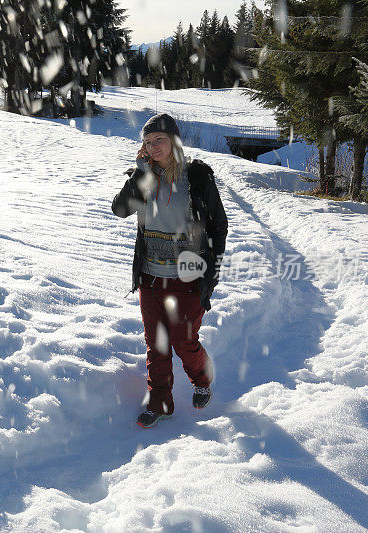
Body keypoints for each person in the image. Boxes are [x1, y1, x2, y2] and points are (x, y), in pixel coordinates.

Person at [111, 113, 228, 429]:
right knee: (157, 342)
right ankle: (160, 402)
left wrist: (212, 271)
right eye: (147, 143)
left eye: (158, 140)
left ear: (174, 141)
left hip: (189, 275)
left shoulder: (197, 178)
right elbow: (120, 209)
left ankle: (202, 378)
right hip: (150, 275)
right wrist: (139, 174)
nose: (152, 147)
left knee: (182, 339)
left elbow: (218, 225)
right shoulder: (145, 177)